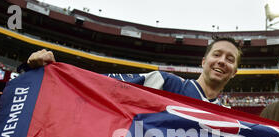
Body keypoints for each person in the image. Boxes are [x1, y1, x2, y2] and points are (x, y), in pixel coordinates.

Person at [22, 36, 242, 106]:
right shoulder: (166, 83)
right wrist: (54, 72)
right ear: (203, 61)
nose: (222, 61)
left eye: (230, 59)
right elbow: (103, 86)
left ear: (234, 72)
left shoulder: (230, 120)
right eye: (217, 54)